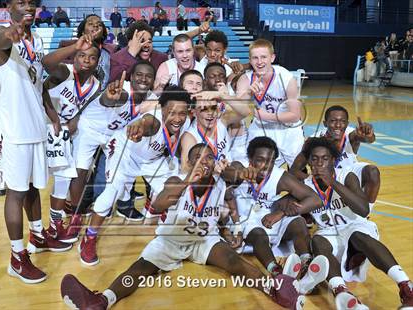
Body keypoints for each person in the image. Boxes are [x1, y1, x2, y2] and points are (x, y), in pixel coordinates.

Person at [60, 144, 305, 310]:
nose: (204, 161)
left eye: (209, 157)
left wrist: (229, 229)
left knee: (234, 262)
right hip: (171, 240)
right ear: (188, 162)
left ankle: (274, 289)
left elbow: (234, 176)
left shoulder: (220, 181)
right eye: (197, 157)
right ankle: (102, 300)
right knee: (139, 269)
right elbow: (159, 202)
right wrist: (190, 179)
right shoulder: (177, 180)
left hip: (203, 239)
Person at [0, 0, 71, 284]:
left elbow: (38, 82)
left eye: (31, 2)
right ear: (8, 6)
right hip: (14, 129)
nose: (27, 6)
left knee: (32, 188)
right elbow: (0, 39)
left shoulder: (34, 38)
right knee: (15, 192)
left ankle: (38, 236)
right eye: (20, 2)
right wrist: (9, 33)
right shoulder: (0, 32)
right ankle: (16, 257)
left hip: (36, 125)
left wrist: (50, 112)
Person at [290, 137, 412, 309]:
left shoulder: (346, 175)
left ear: (333, 160)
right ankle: (341, 292)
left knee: (357, 236)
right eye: (314, 159)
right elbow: (289, 180)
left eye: (325, 158)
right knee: (317, 240)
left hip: (356, 227)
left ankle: (406, 286)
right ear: (309, 161)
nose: (319, 163)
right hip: (329, 234)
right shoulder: (305, 185)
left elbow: (363, 210)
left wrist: (332, 183)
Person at [78, 86, 192, 265]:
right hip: (126, 152)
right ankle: (89, 237)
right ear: (161, 108)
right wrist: (138, 125)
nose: (177, 118)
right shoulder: (153, 119)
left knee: (178, 190)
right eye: (172, 113)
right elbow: (146, 123)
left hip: (152, 159)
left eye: (182, 113)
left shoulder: (185, 121)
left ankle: (158, 214)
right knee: (111, 193)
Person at [63, 62, 156, 241]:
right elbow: (110, 99)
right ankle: (76, 216)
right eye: (139, 74)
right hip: (90, 128)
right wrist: (109, 97)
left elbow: (151, 119)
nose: (143, 79)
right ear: (131, 76)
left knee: (116, 175)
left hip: (114, 135)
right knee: (81, 171)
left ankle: (117, 204)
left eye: (148, 76)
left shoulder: (151, 99)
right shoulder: (122, 90)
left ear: (153, 80)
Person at [223, 137, 328, 294]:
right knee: (259, 235)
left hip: (270, 218)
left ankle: (306, 267)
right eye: (260, 160)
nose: (266, 165)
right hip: (246, 221)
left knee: (297, 222)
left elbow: (315, 199)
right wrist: (241, 174)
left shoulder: (279, 176)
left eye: (270, 161)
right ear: (250, 159)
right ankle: (277, 274)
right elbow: (227, 173)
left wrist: (282, 212)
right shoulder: (240, 166)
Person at [42, 35, 102, 242]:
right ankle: (49, 224)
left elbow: (82, 109)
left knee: (64, 175)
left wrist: (74, 122)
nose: (86, 59)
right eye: (82, 55)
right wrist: (73, 48)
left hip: (66, 130)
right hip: (45, 124)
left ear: (97, 62)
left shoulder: (96, 84)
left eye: (92, 57)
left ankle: (55, 223)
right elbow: (47, 62)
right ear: (74, 58)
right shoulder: (65, 72)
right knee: (44, 179)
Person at [290, 105, 379, 206]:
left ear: (347, 123)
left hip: (349, 179)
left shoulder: (350, 134)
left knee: (372, 171)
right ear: (325, 123)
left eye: (342, 121)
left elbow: (366, 139)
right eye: (333, 121)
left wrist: (368, 135)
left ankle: (366, 210)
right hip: (324, 181)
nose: (338, 125)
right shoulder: (314, 140)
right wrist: (311, 179)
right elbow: (294, 170)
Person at [236, 39, 304, 169]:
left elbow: (295, 115)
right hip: (262, 127)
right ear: (250, 60)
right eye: (255, 58)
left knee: (297, 170)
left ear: (272, 58)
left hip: (288, 128)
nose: (259, 62)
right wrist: (249, 93)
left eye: (263, 57)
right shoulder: (245, 79)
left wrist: (267, 116)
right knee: (256, 168)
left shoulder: (286, 78)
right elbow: (237, 108)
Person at [58, 14, 117, 90]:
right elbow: (58, 69)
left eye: (99, 25)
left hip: (103, 97)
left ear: (103, 32)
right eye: (90, 24)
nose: (95, 26)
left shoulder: (112, 50)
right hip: (73, 95)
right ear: (82, 31)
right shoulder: (68, 47)